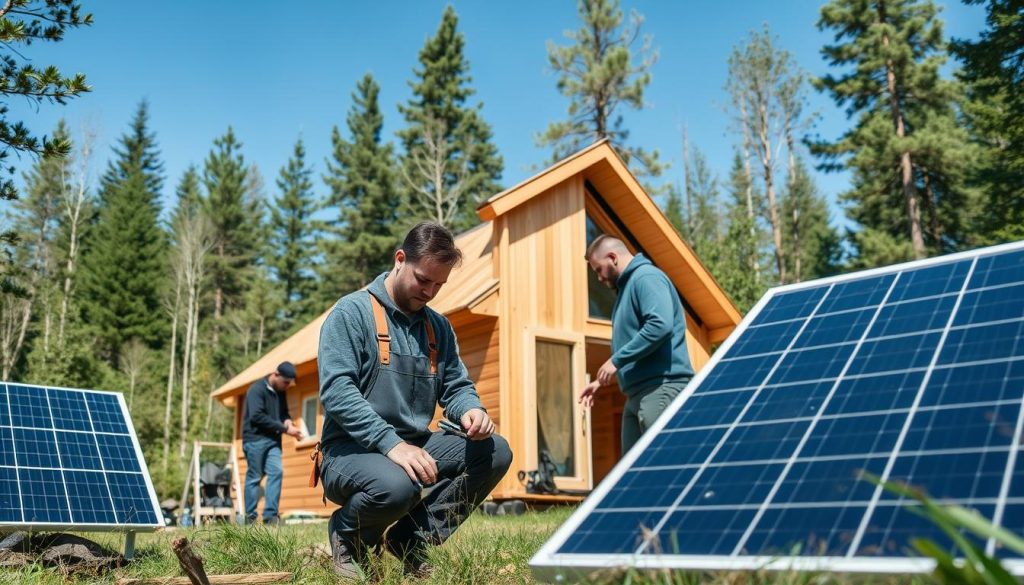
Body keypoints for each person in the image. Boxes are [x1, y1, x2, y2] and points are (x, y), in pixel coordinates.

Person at [317, 221, 513, 579]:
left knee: (496, 452)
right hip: (348, 450)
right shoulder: (351, 314)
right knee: (398, 485)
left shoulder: (437, 327)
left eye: (439, 285)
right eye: (423, 280)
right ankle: (348, 534)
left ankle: (411, 539)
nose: (430, 292)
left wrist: (471, 409)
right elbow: (337, 394)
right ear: (400, 258)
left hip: (412, 444)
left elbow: (455, 384)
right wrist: (392, 445)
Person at [578, 234, 694, 455]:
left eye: (598, 270)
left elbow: (660, 325)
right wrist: (601, 381)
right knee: (633, 476)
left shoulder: (646, 278)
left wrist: (616, 360)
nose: (599, 279)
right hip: (637, 394)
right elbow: (636, 343)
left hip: (660, 388)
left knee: (663, 467)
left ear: (612, 257)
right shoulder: (626, 290)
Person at [241, 361, 302, 525]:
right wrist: (285, 429)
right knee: (254, 477)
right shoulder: (256, 390)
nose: (288, 386)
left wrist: (288, 422)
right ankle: (250, 518)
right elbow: (257, 416)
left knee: (276, 472)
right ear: (276, 374)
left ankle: (270, 517)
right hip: (255, 440)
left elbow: (284, 413)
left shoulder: (280, 391)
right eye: (286, 382)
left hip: (273, 441)